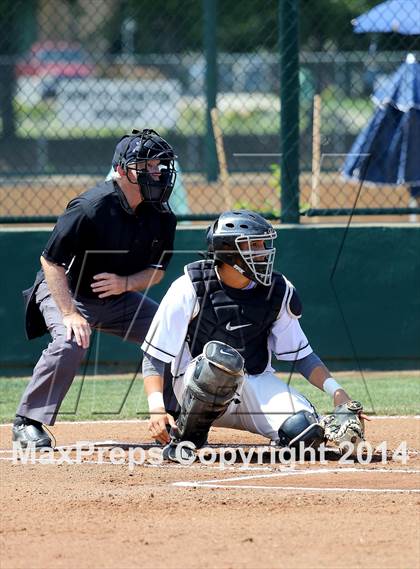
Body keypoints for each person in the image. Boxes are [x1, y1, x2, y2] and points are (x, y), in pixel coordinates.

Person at [141, 210, 367, 461]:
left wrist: (338, 393)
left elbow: (303, 356)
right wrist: (156, 408)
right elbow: (154, 356)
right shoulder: (189, 286)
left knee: (304, 432)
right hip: (195, 388)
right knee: (221, 363)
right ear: (228, 251)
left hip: (254, 383)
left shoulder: (278, 290)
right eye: (254, 245)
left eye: (263, 244)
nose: (263, 251)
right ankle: (188, 436)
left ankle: (284, 441)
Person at [13, 128, 178, 448]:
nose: (156, 173)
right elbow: (51, 262)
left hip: (118, 298)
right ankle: (28, 422)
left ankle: (174, 417)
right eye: (145, 166)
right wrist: (69, 313)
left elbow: (156, 272)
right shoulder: (91, 206)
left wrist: (126, 283)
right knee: (71, 340)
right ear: (121, 170)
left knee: (171, 332)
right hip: (68, 291)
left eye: (159, 166)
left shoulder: (161, 214)